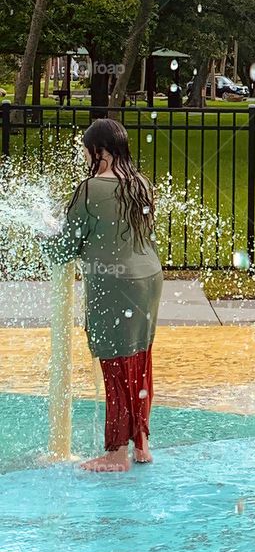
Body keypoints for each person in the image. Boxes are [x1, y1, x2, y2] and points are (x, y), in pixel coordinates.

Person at [44, 119, 163, 472]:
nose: (84, 157)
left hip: (114, 285)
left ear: (102, 152)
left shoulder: (90, 189)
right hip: (149, 279)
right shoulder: (141, 184)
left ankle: (115, 453)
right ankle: (141, 444)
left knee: (114, 365)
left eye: (87, 151)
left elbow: (66, 246)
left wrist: (44, 235)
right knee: (140, 362)